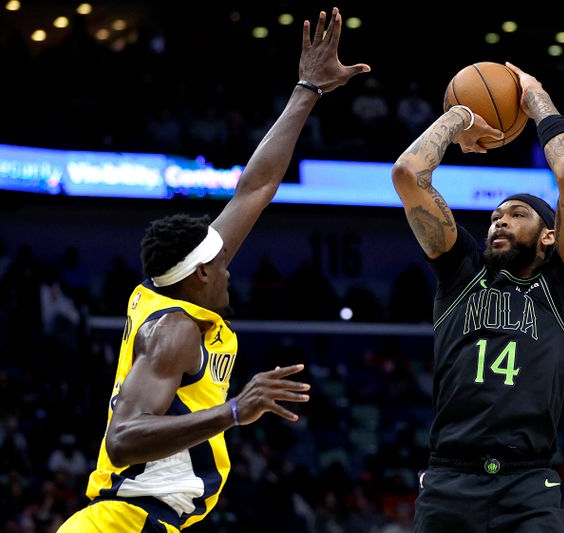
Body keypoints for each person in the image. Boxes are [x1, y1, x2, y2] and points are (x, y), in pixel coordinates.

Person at [58, 8, 369, 532]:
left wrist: (307, 89)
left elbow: (256, 188)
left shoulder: (174, 286)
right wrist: (233, 413)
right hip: (121, 523)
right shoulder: (176, 329)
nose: (228, 267)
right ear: (200, 274)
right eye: (219, 263)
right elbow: (124, 437)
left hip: (153, 522)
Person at [391, 62, 564, 532]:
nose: (498, 220)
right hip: (448, 480)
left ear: (549, 237)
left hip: (528, 487)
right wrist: (460, 116)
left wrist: (534, 96)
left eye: (517, 214)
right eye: (494, 216)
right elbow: (408, 175)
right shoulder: (461, 270)